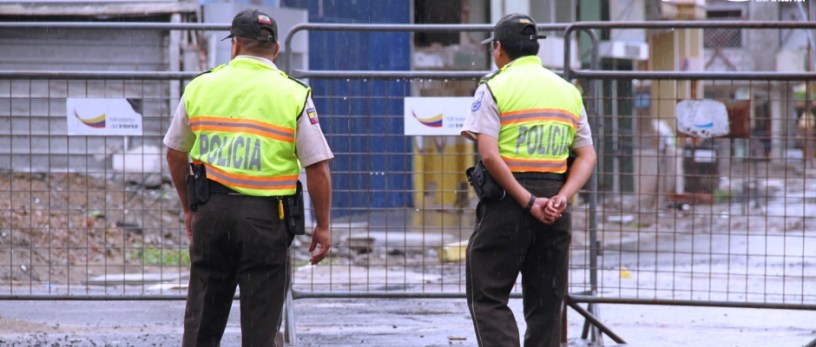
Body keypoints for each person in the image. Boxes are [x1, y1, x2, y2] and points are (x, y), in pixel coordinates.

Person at [163, 8, 333, 347]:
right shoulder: (293, 93)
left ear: (235, 44)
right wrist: (323, 225)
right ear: (276, 49)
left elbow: (175, 153)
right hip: (266, 221)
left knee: (202, 322)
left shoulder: (202, 86)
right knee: (261, 325)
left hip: (211, 214)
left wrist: (189, 208)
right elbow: (317, 167)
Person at [461, 13, 596, 347]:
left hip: (509, 202)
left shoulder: (493, 86)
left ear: (498, 49)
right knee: (547, 302)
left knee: (488, 293)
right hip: (555, 204)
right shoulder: (568, 91)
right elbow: (587, 155)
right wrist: (562, 197)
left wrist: (527, 201)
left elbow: (489, 155)